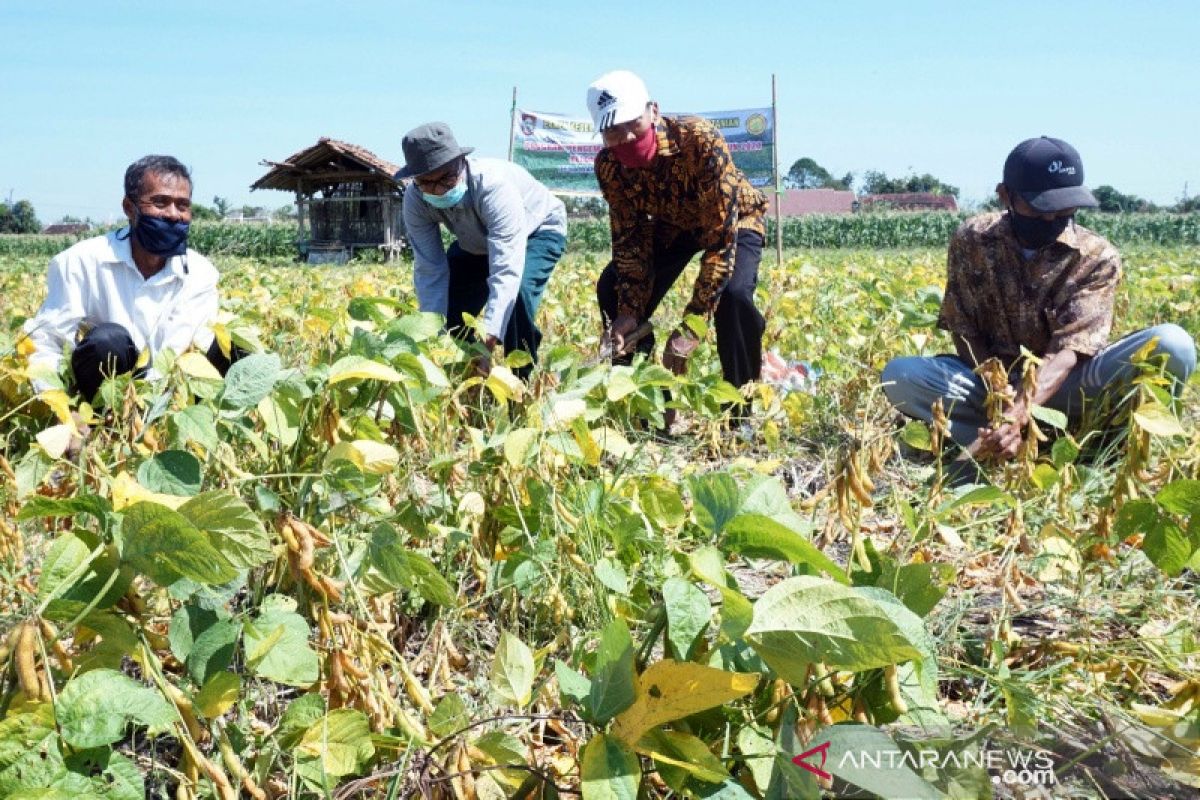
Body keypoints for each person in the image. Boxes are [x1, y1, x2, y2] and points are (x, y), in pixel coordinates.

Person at [882, 137, 1195, 459]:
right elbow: (964, 330)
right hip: (993, 388)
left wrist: (1018, 414)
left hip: (1069, 387)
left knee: (1173, 345)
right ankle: (1003, 440)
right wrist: (998, 392)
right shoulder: (973, 240)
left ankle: (1110, 441)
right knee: (900, 376)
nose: (1051, 218)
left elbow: (1067, 353)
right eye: (1040, 206)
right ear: (1005, 195)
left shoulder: (1096, 257)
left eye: (1064, 208)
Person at [586, 69, 768, 394]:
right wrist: (629, 312)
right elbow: (631, 242)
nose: (626, 137)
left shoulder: (698, 138)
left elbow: (720, 239)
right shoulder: (610, 167)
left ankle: (740, 407)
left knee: (734, 296)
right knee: (613, 285)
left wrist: (692, 325)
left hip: (732, 217)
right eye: (612, 130)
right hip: (675, 225)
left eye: (632, 123)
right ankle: (642, 397)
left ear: (653, 111)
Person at [24, 155, 237, 406]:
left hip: (170, 395)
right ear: (129, 207)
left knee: (235, 348)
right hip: (100, 393)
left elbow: (189, 352)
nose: (172, 215)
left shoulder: (200, 272)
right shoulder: (80, 262)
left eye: (182, 205)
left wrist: (154, 411)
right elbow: (48, 344)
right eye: (160, 202)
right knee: (108, 341)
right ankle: (101, 424)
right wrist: (62, 411)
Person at [398, 122, 567, 376]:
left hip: (537, 229)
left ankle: (521, 386)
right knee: (449, 307)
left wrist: (489, 340)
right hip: (476, 242)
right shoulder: (415, 200)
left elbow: (505, 269)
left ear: (461, 163)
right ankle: (468, 371)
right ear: (415, 180)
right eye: (426, 183)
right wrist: (433, 337)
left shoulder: (492, 186)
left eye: (446, 178)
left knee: (516, 297)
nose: (438, 190)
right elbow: (429, 270)